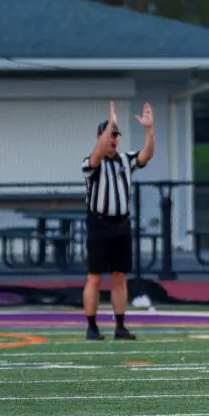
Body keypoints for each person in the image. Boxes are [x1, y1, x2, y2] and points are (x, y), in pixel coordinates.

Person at [82, 100, 154, 341]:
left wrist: (149, 130)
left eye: (115, 135)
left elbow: (146, 154)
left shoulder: (125, 160)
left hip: (121, 225)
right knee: (94, 276)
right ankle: (92, 327)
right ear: (99, 137)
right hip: (99, 224)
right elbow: (97, 154)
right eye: (108, 135)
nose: (112, 139)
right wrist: (110, 122)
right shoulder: (91, 163)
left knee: (119, 276)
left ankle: (120, 326)